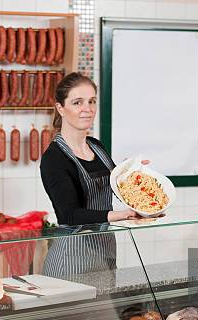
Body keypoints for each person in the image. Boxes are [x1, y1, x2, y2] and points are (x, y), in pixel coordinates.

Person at [40, 72, 139, 278]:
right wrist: (119, 216)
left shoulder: (97, 147)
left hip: (105, 249)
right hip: (72, 257)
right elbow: (70, 214)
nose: (87, 109)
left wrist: (135, 175)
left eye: (92, 101)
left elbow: (117, 187)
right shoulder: (54, 158)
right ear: (61, 108)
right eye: (77, 102)